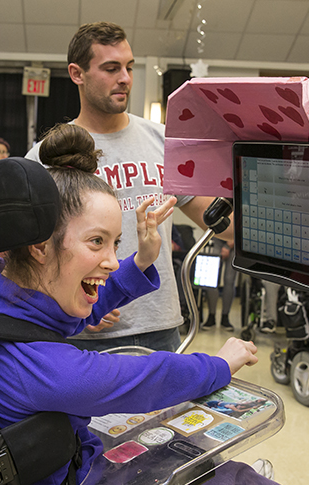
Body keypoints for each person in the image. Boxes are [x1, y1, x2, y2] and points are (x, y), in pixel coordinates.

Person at [0, 123, 309, 485]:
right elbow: (146, 377)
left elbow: (67, 313)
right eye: (97, 242)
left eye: (115, 244)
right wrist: (218, 365)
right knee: (230, 478)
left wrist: (141, 260)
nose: (110, 260)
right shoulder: (46, 371)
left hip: (50, 475)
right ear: (39, 246)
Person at [26, 22, 231, 353]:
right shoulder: (46, 156)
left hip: (159, 325)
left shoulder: (163, 141)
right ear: (77, 74)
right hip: (82, 333)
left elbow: (220, 221)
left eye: (129, 67)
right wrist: (64, 301)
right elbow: (27, 254)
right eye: (111, 68)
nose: (125, 78)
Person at [201, 239, 237, 332]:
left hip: (234, 240)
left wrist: (228, 246)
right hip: (216, 239)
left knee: (229, 281)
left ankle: (225, 317)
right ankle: (211, 316)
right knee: (211, 279)